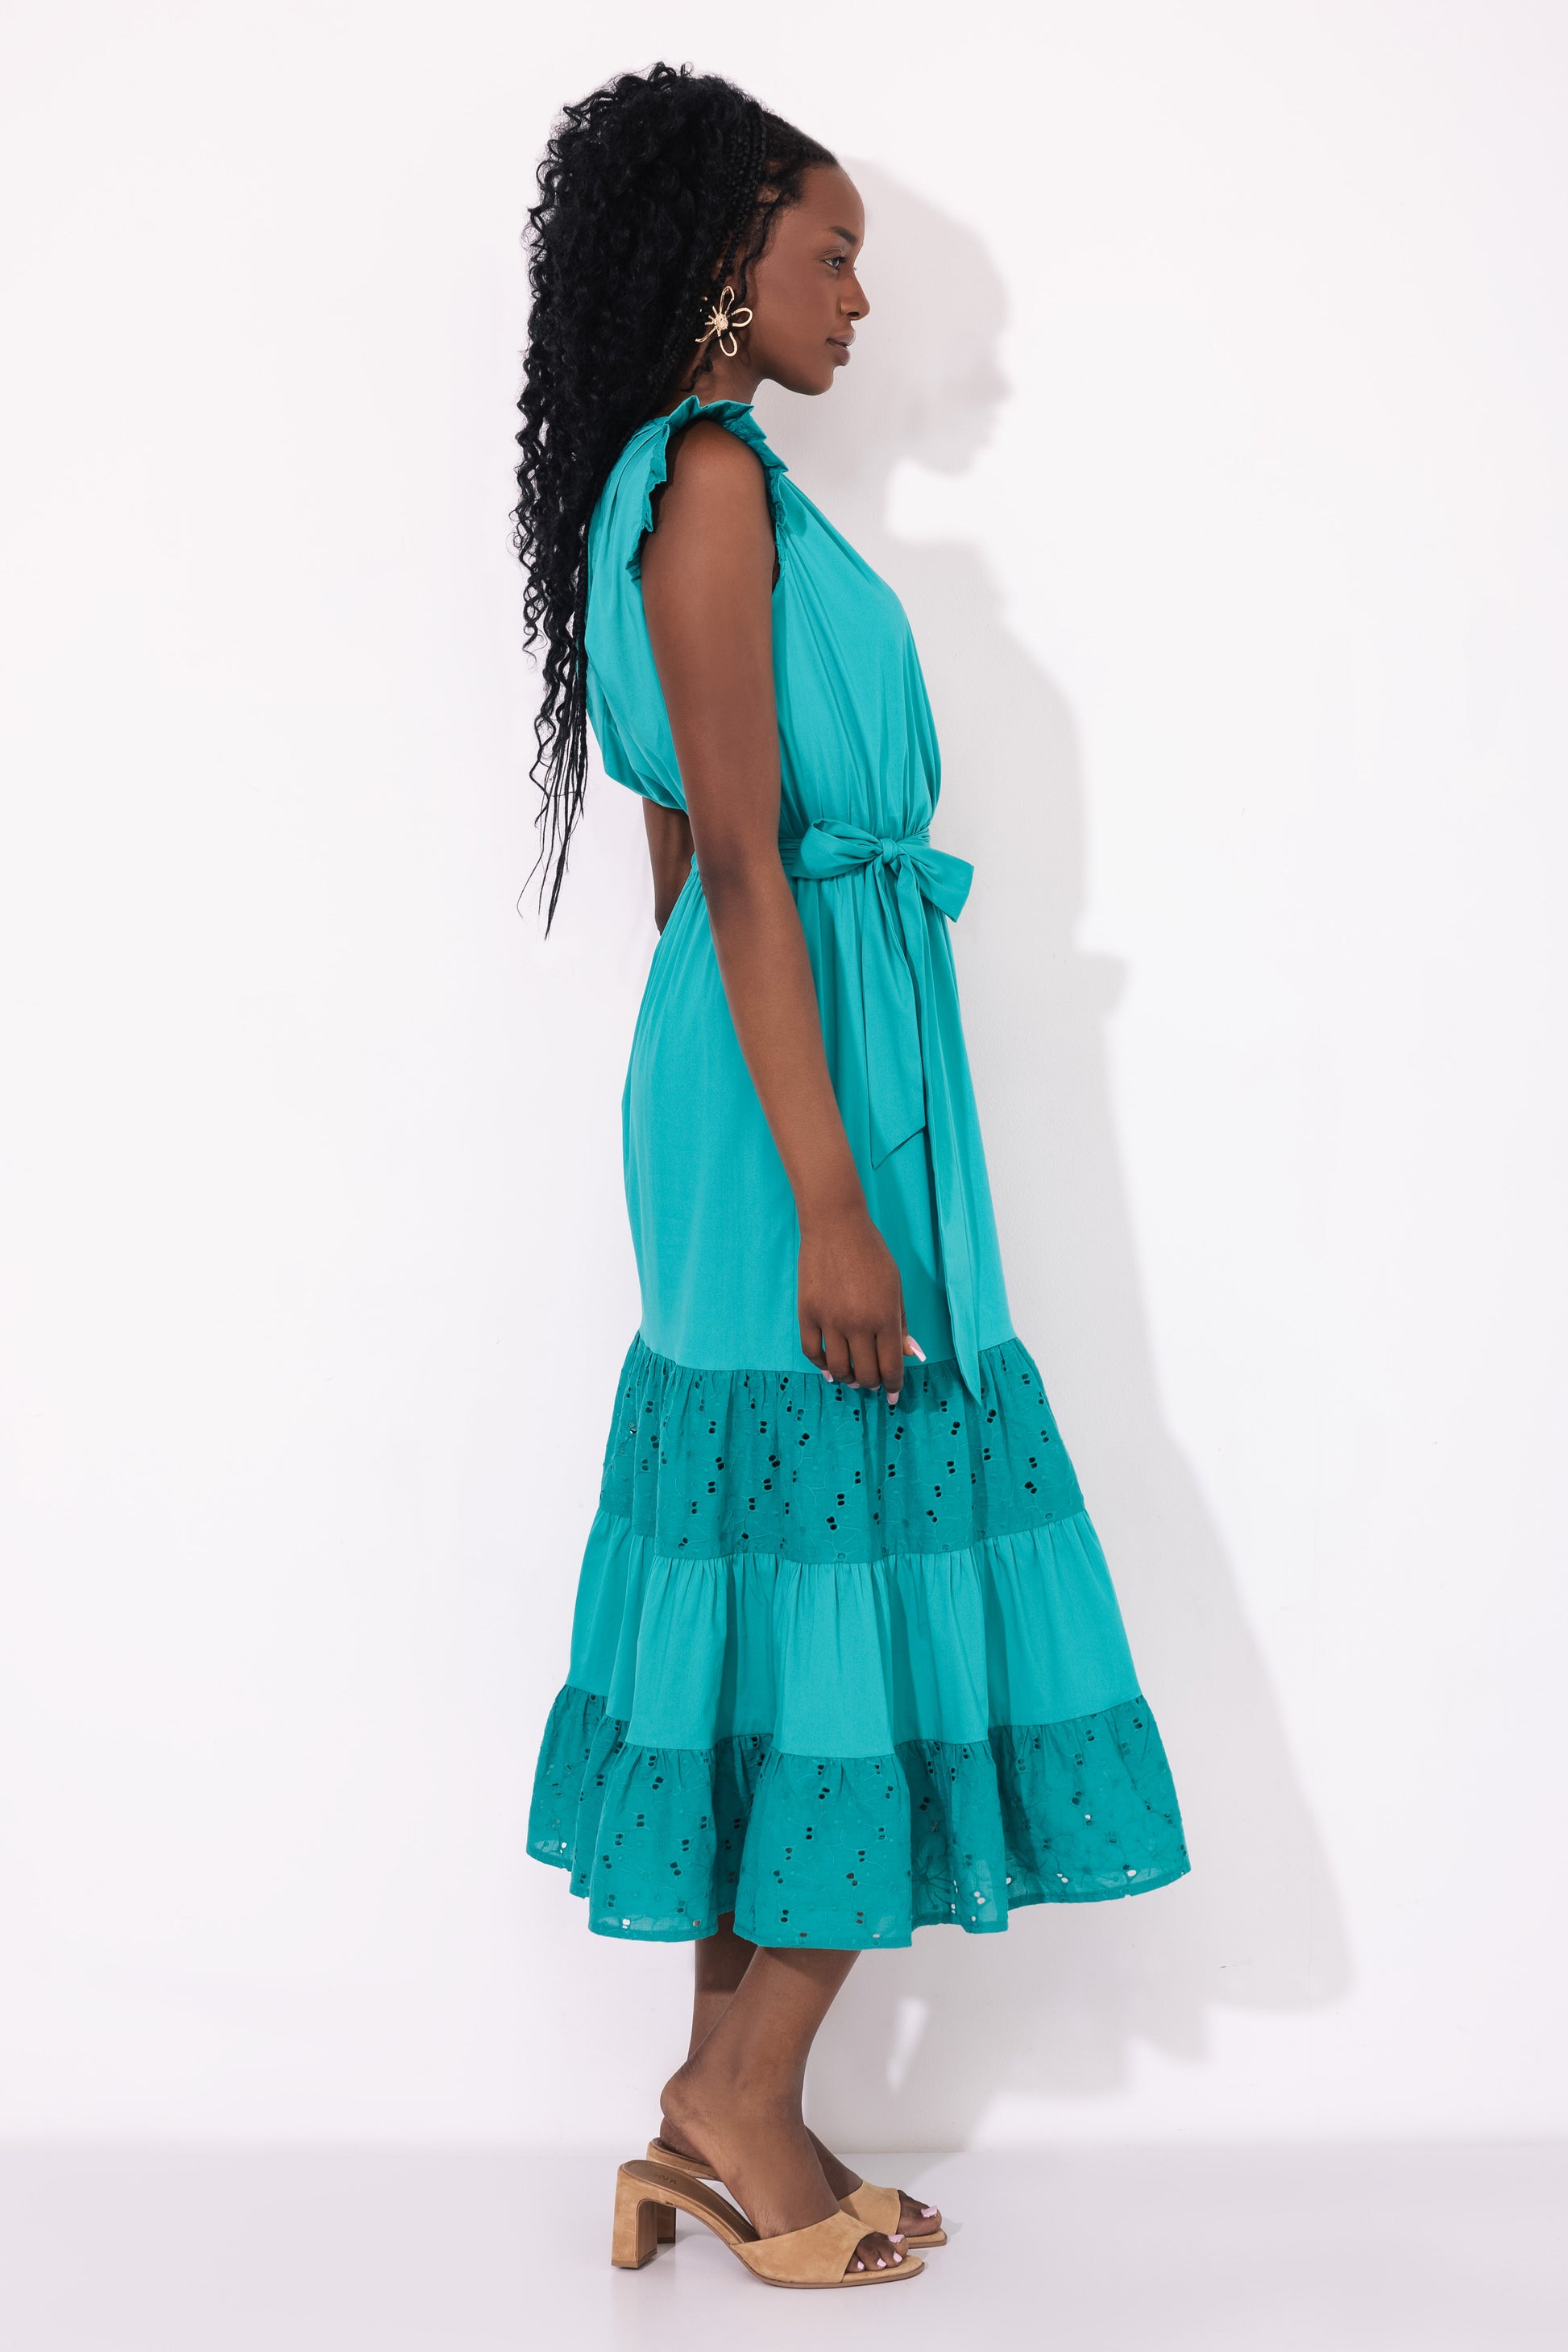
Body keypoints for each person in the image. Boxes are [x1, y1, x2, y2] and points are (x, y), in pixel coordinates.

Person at [515, 63, 1189, 2292]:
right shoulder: (710, 485)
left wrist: (737, 1114)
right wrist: (818, 1187)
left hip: (767, 1056)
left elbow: (681, 870)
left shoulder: (668, 485)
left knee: (779, 1549)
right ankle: (729, 2107)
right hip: (796, 1077)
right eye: (831, 255)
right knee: (858, 1534)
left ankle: (735, 2117)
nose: (862, 301)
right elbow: (731, 863)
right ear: (729, 262)